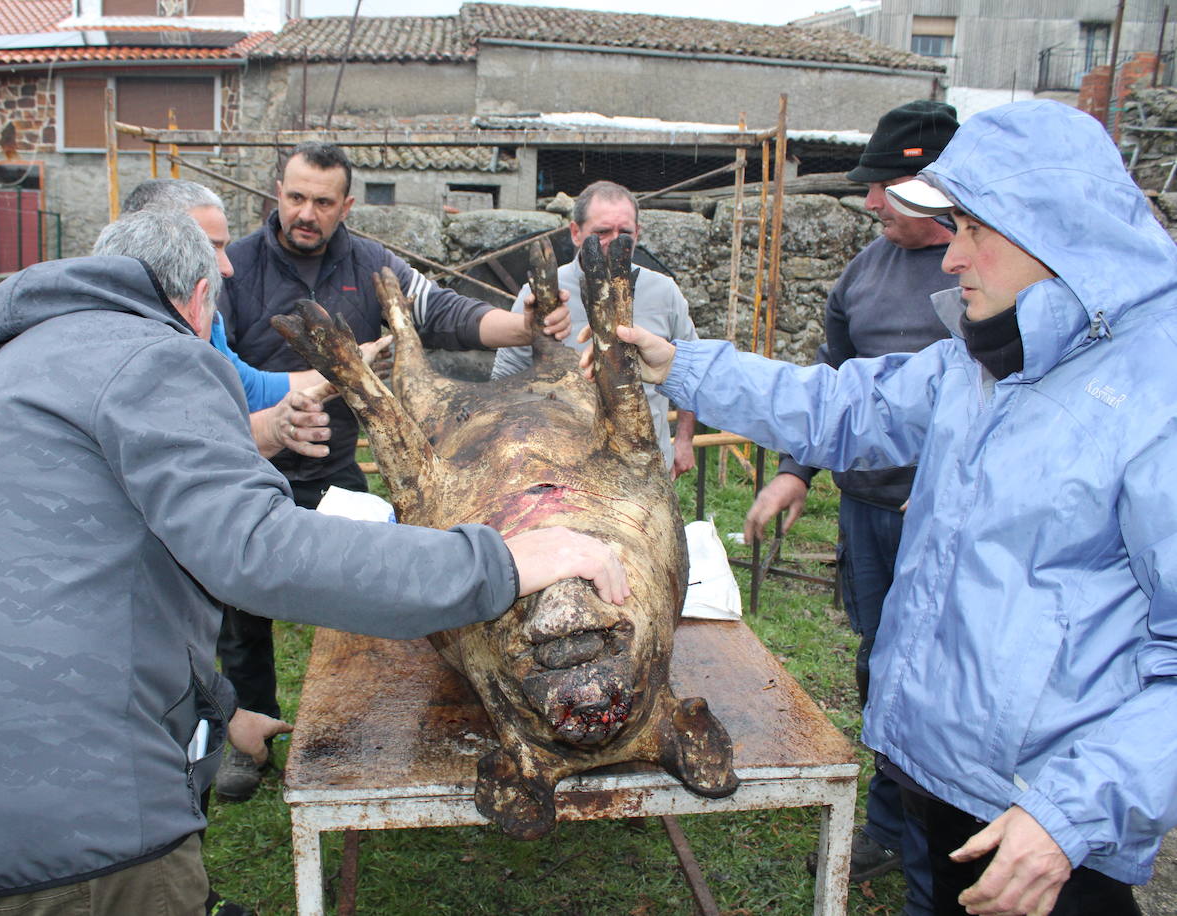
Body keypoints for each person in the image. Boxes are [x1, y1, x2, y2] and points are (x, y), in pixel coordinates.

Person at [0, 206, 627, 915]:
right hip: (65, 817)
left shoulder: (23, 369)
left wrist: (219, 714)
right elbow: (259, 549)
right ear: (195, 301)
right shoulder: (151, 358)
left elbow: (92, 583)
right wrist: (499, 565)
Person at [586, 99, 1177, 915]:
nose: (949, 258)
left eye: (973, 230)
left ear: (1050, 230)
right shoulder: (985, 358)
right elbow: (840, 406)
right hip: (942, 773)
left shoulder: (1159, 395)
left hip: (1045, 820)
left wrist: (1071, 813)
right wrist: (681, 365)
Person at [214, 141, 573, 800]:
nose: (306, 213)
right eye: (296, 197)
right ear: (277, 193)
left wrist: (520, 328)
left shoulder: (370, 264)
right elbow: (210, 374)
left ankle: (361, 716)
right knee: (239, 613)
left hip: (336, 469)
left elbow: (446, 315)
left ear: (346, 205)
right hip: (246, 463)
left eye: (323, 202)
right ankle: (250, 734)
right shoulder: (234, 269)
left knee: (373, 586)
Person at [744, 100, 959, 911]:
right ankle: (890, 824)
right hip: (869, 512)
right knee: (881, 663)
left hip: (949, 523)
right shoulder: (864, 273)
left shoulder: (988, 268)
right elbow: (835, 382)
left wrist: (939, 495)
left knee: (942, 678)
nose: (869, 203)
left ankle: (944, 843)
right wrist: (797, 469)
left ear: (942, 187)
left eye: (888, 187)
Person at [122, 177, 389, 462]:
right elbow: (181, 451)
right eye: (211, 249)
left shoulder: (210, 326)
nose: (227, 268)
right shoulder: (128, 352)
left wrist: (349, 365)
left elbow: (248, 388)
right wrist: (270, 429)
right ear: (157, 246)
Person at [490, 180, 699, 478]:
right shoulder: (541, 293)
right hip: (561, 469)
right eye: (602, 232)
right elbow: (503, 381)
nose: (615, 241)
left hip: (646, 469)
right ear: (576, 233)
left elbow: (691, 371)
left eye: (624, 232)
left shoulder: (664, 293)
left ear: (637, 233)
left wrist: (685, 440)